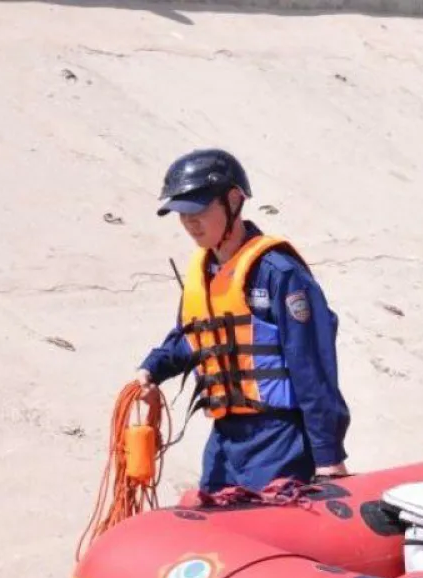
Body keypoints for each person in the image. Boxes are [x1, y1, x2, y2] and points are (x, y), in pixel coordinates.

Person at [135, 148, 350, 494]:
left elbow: (312, 366)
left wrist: (328, 455)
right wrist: (152, 369)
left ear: (234, 200)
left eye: (200, 210)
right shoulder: (202, 274)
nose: (190, 222)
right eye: (182, 214)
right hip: (225, 441)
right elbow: (192, 338)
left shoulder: (279, 273)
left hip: (279, 439)